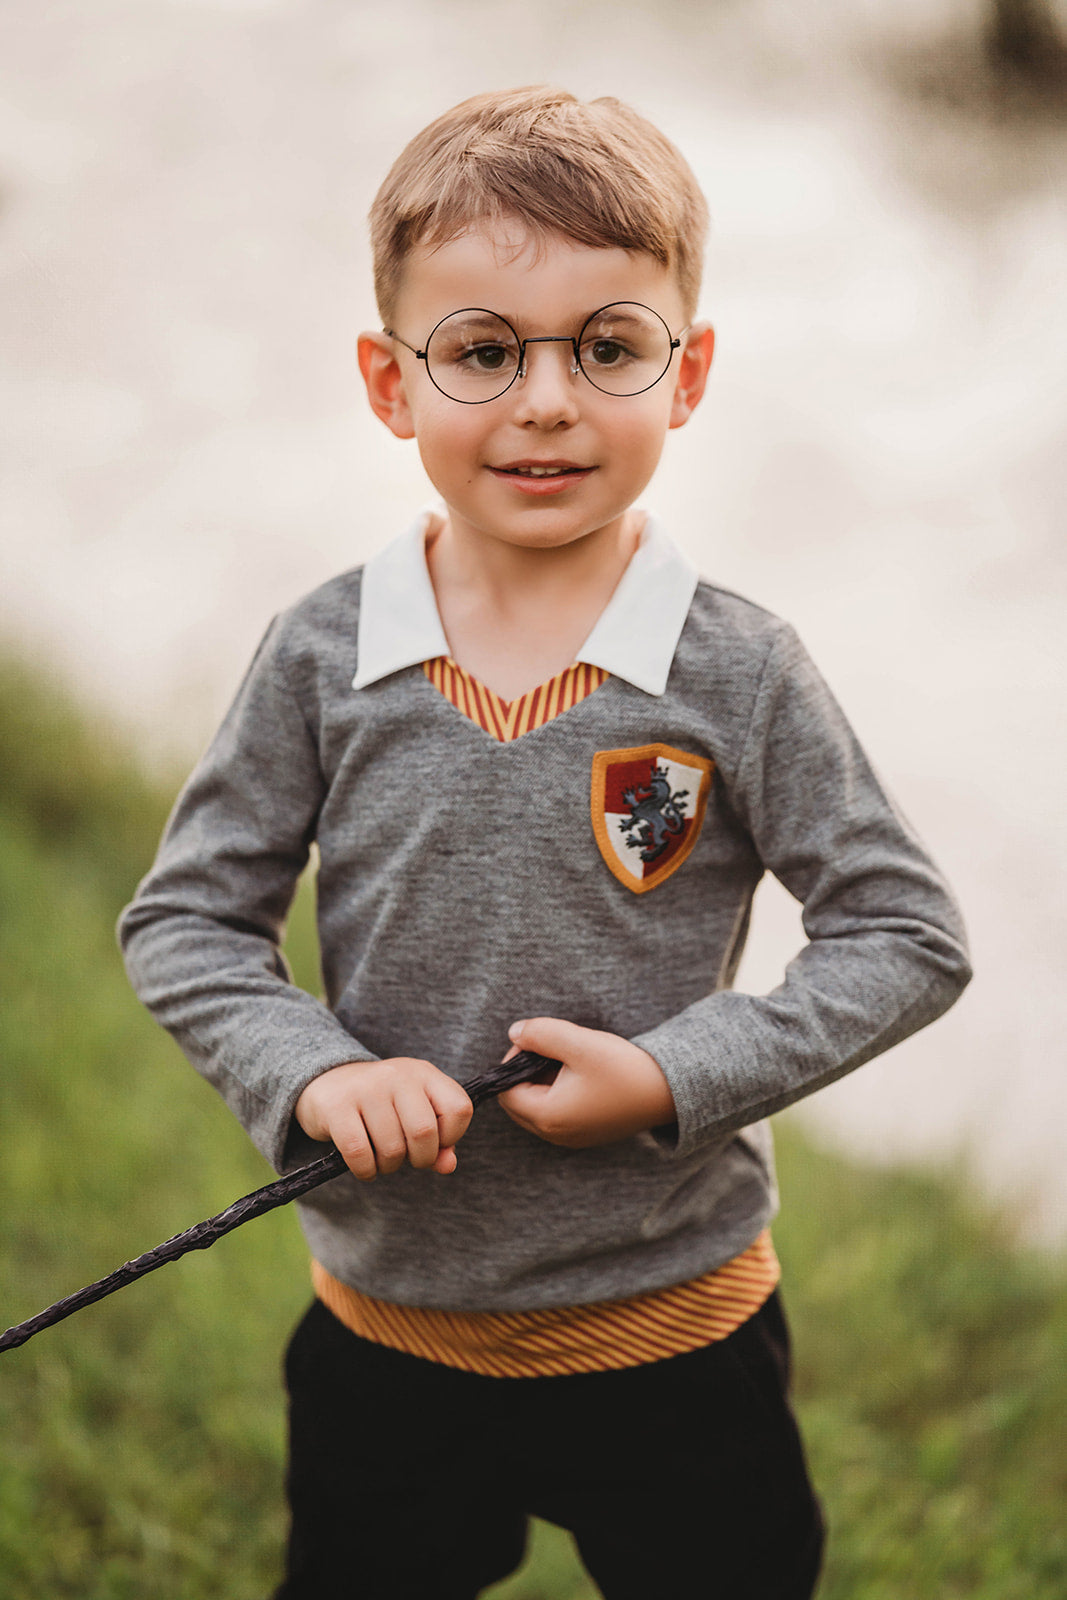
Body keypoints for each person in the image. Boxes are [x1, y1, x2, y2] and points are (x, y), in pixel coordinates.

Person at [119, 86, 971, 1600]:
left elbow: (905, 938)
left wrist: (671, 1076)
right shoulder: (321, 656)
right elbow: (185, 923)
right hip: (388, 1332)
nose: (548, 401)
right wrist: (315, 1071)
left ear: (687, 371)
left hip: (678, 1329)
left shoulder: (741, 672)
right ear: (391, 382)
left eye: (609, 345)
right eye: (484, 352)